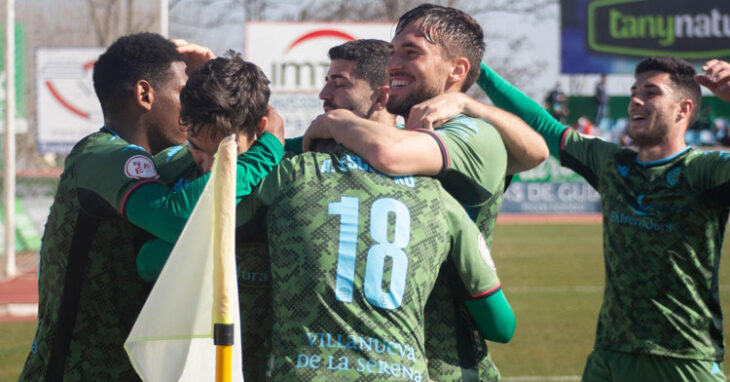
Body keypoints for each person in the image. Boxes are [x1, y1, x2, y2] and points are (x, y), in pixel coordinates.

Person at [144, 49, 516, 381]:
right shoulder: (437, 194)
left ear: (381, 96)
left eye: (338, 83)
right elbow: (502, 325)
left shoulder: (286, 175)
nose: (323, 95)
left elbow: (159, 253)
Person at [301, 4, 548, 381]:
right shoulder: (398, 134)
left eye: (411, 52)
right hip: (383, 363)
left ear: (458, 70)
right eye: (393, 50)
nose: (393, 63)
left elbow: (392, 154)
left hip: (447, 365)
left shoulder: (473, 135)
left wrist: (337, 121)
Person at [19, 33, 284, 381]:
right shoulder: (102, 155)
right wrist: (269, 148)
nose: (188, 111)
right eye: (181, 94)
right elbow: (174, 215)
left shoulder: (162, 161)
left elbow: (231, 135)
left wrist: (217, 83)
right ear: (145, 95)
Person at [478, 57, 730, 381]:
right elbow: (541, 123)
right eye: (633, 91)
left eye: (651, 92)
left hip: (684, 359)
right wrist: (478, 71)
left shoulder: (704, 172)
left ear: (683, 109)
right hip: (610, 357)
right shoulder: (612, 165)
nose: (635, 100)